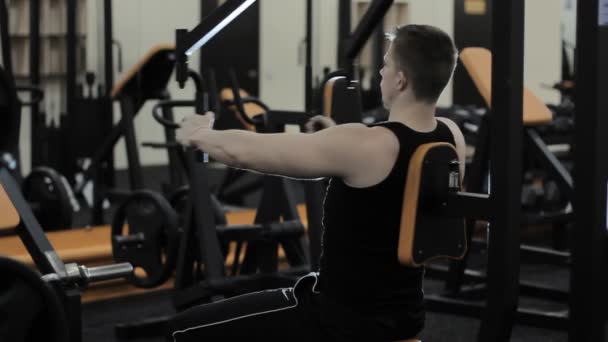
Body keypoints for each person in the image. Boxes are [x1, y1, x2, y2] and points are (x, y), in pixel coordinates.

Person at [169, 24, 466, 342]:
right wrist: (335, 136)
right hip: (402, 316)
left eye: (386, 64)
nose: (381, 71)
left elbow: (245, 153)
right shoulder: (451, 138)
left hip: (337, 320)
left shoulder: (364, 145)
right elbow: (385, 180)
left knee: (181, 330)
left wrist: (199, 135)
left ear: (401, 79)